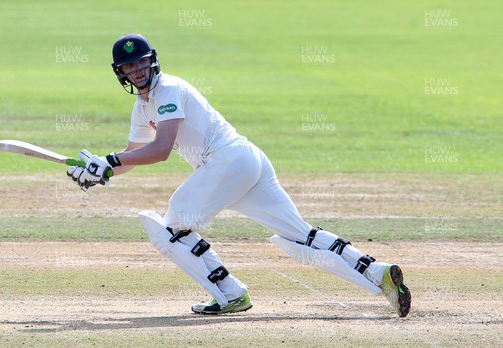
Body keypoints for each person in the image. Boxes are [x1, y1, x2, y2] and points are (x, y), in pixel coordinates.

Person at [66, 33, 411, 317]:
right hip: (245, 162)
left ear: (152, 61)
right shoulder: (142, 108)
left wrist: (107, 161)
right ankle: (379, 273)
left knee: (170, 229)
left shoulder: (168, 90)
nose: (137, 69)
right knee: (300, 236)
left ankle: (230, 293)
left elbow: (160, 150)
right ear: (121, 72)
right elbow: (132, 155)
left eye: (141, 62)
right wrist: (100, 171)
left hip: (227, 161)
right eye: (130, 65)